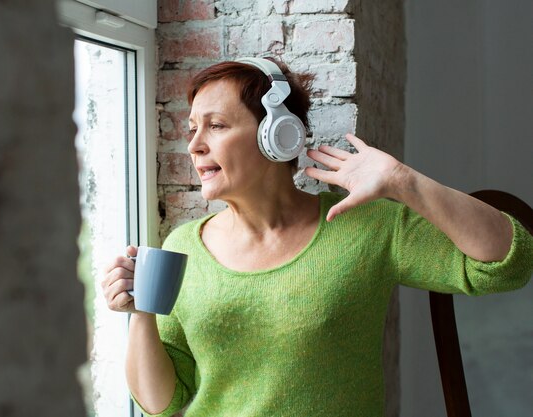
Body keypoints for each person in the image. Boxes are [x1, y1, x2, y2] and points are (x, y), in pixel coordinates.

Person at [101, 57, 533, 417]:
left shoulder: (367, 227)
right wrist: (140, 314)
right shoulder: (181, 247)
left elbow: (507, 263)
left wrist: (404, 182)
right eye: (192, 128)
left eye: (215, 126)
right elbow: (161, 400)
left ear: (276, 135)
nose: (194, 145)